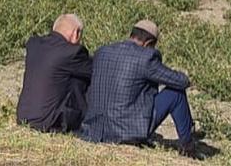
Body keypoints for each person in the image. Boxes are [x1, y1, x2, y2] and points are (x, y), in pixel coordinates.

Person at [80, 20, 197, 158]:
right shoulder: (146, 57)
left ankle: (189, 131)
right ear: (148, 44)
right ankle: (188, 146)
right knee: (175, 93)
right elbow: (181, 81)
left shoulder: (102, 52)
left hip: (95, 130)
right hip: (127, 131)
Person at [16, 14, 92, 133]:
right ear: (76, 33)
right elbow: (95, 71)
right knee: (81, 79)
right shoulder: (72, 52)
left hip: (24, 117)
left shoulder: (34, 44)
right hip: (48, 123)